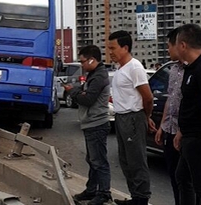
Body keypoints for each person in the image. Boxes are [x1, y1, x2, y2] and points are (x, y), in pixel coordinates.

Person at [107, 30, 156, 205]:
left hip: (133, 118)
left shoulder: (135, 67)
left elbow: (148, 97)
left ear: (125, 47)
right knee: (125, 160)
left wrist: (145, 116)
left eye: (113, 48)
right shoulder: (121, 68)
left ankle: (142, 199)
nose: (110, 52)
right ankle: (135, 196)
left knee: (136, 159)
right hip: (121, 117)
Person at [174, 24, 201, 205]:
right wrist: (181, 131)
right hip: (189, 135)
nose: (175, 48)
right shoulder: (190, 68)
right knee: (182, 177)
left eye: (176, 44)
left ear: (183, 45)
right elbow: (190, 103)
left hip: (199, 137)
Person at [65, 45, 113, 205]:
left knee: (99, 161)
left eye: (83, 61)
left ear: (92, 59)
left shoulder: (99, 76)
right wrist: (79, 91)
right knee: (92, 160)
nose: (82, 65)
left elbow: (88, 99)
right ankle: (91, 190)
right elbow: (83, 92)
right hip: (91, 123)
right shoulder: (93, 75)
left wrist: (73, 92)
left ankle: (104, 193)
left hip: (97, 123)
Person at [154, 27, 183, 205]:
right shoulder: (172, 70)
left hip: (185, 133)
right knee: (173, 174)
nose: (167, 50)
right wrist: (162, 127)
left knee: (186, 179)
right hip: (169, 129)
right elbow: (170, 100)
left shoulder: (195, 70)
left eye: (169, 46)